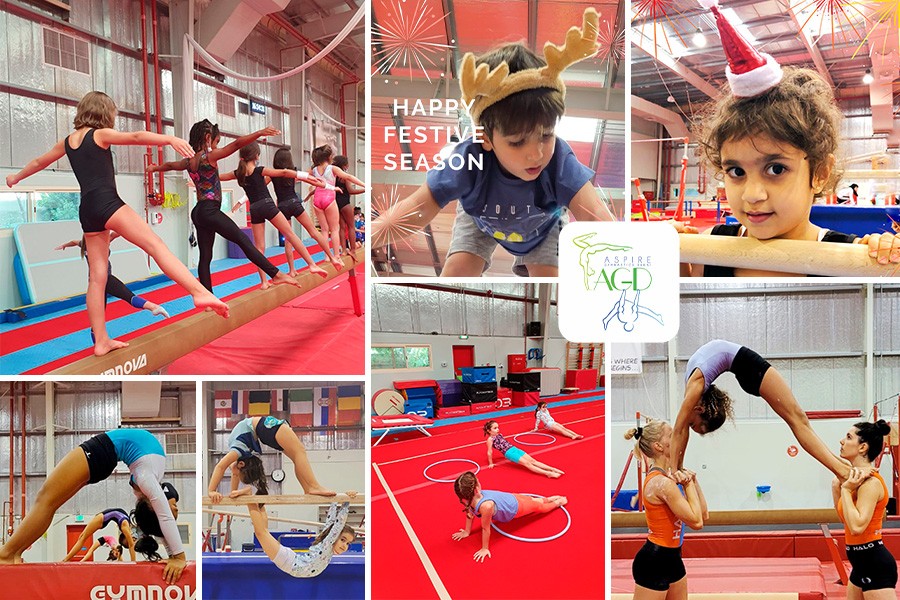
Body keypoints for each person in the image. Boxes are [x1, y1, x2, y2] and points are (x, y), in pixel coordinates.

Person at [371, 8, 615, 277]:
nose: (536, 154)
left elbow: (594, 212)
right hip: (480, 220)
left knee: (549, 281)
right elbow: (420, 206)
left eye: (546, 135)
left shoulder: (559, 161)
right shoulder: (468, 158)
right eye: (517, 142)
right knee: (455, 274)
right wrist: (369, 236)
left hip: (544, 226)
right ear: (485, 138)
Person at [677, 3, 900, 276]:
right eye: (736, 172)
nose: (752, 195)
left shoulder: (850, 258)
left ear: (820, 172)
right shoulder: (707, 250)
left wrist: (884, 252)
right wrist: (668, 256)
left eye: (776, 169)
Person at [5, 91, 228, 356]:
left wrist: (15, 178)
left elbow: (39, 161)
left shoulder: (67, 142)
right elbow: (136, 137)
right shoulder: (98, 135)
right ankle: (197, 291)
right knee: (155, 244)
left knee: (97, 277)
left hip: (87, 210)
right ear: (103, 113)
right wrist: (169, 138)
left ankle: (100, 340)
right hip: (107, 202)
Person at [0, 429, 186, 583]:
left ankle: (5, 554)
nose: (171, 507)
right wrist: (172, 553)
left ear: (152, 507)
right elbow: (162, 518)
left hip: (100, 452)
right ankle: (15, 554)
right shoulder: (148, 484)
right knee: (50, 503)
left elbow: (164, 517)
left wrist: (178, 556)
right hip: (103, 458)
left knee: (45, 500)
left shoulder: (146, 478)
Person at [148, 120, 302, 292]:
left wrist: (155, 168)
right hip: (210, 210)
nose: (216, 146)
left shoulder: (188, 161)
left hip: (198, 212)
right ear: (208, 138)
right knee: (243, 240)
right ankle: (275, 274)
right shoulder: (209, 157)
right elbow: (236, 144)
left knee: (205, 257)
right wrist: (259, 133)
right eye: (216, 142)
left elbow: (170, 165)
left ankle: (207, 296)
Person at [671, 340, 849, 480]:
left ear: (699, 409)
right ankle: (841, 470)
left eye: (693, 424)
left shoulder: (695, 387)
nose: (688, 423)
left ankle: (842, 468)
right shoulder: (693, 393)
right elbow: (682, 431)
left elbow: (678, 430)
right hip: (745, 368)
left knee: (798, 419)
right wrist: (678, 468)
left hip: (748, 367)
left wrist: (673, 470)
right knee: (798, 420)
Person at [224, 142, 333, 288]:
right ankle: (312, 264)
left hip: (255, 209)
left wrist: (200, 179)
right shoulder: (260, 170)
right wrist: (306, 176)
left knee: (259, 248)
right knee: (290, 235)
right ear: (256, 156)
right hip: (268, 205)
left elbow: (220, 177)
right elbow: (284, 173)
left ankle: (264, 282)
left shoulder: (238, 173)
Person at [625, 420, 706, 598]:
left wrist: (693, 481)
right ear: (659, 446)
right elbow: (697, 522)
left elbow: (703, 514)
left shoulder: (669, 479)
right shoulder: (661, 483)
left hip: (673, 558)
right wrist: (687, 485)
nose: (677, 438)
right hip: (654, 561)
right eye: (671, 435)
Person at [56, 234, 170, 338]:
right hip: (106, 279)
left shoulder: (84, 244)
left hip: (94, 284)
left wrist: (64, 245)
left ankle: (98, 344)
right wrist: (125, 228)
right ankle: (153, 307)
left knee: (98, 318)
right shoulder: (100, 242)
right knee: (128, 296)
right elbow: (114, 234)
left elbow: (73, 241)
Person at [834, 420, 897, 599]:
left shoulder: (870, 483)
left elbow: (856, 527)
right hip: (860, 563)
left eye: (848, 437)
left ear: (862, 447)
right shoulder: (853, 481)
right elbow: (846, 520)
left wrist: (846, 490)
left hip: (874, 564)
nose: (842, 441)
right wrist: (837, 487)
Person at [207, 416, 335, 501]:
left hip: (263, 429)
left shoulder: (237, 451)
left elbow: (220, 467)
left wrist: (212, 491)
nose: (234, 473)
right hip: (263, 430)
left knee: (297, 455)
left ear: (241, 465)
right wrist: (234, 492)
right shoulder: (240, 455)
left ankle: (310, 487)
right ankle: (311, 487)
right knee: (299, 453)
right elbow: (234, 473)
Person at [451, 471, 567, 562]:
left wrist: (467, 531)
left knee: (533, 500)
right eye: (478, 481)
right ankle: (558, 503)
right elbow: (485, 528)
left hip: (510, 497)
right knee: (539, 507)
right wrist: (484, 548)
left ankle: (548, 499)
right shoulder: (486, 506)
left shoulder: (468, 497)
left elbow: (470, 513)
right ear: (476, 490)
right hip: (515, 508)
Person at [269, 147, 343, 275]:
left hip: (282, 206)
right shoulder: (293, 172)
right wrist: (331, 187)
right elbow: (311, 180)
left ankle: (292, 270)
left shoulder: (273, 174)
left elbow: (259, 187)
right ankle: (332, 258)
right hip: (294, 203)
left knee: (288, 239)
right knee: (313, 231)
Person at [246, 500, 355, 577]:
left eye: (348, 543)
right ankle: (250, 499)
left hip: (291, 562)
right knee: (261, 533)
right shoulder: (328, 544)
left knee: (263, 531)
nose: (344, 546)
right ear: (335, 536)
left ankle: (259, 499)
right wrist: (345, 502)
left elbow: (330, 522)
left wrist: (335, 501)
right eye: (343, 540)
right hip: (289, 562)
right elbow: (337, 524)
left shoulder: (327, 545)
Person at [308, 145, 368, 261]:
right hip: (329, 199)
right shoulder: (332, 168)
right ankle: (336, 256)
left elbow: (303, 176)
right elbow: (348, 177)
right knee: (335, 229)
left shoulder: (314, 170)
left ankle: (327, 256)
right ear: (329, 157)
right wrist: (364, 185)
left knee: (324, 230)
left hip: (317, 200)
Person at [484, 420, 563, 478]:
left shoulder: (499, 435)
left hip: (514, 448)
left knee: (533, 461)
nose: (498, 429)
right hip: (509, 453)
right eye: (495, 428)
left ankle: (552, 469)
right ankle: (548, 473)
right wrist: (491, 463)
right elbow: (489, 452)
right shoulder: (490, 440)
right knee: (527, 464)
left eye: (498, 427)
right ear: (489, 431)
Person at [62, 507, 136, 562]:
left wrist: (133, 563)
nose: (130, 540)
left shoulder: (124, 526)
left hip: (102, 519)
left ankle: (65, 560)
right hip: (103, 519)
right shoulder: (126, 526)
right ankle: (67, 559)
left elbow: (131, 545)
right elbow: (131, 544)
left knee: (82, 538)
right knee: (82, 538)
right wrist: (133, 562)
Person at [332, 155, 365, 252]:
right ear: (344, 165)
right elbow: (351, 191)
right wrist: (364, 190)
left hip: (336, 202)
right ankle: (353, 250)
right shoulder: (344, 176)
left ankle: (344, 250)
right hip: (345, 202)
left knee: (341, 228)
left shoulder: (333, 176)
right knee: (351, 226)